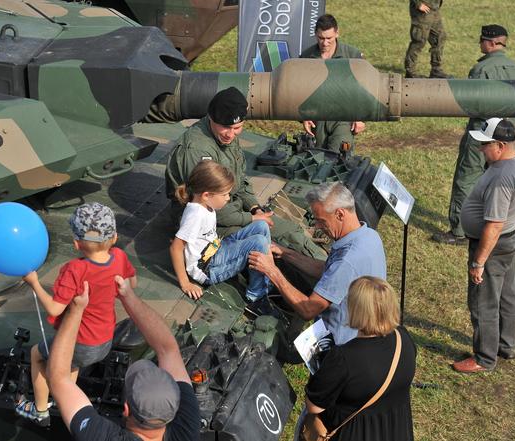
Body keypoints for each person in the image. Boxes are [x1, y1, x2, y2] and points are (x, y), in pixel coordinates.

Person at [165, 86, 326, 259]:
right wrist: (250, 219)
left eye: (237, 128)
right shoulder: (196, 150)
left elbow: (240, 180)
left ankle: (329, 270)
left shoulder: (225, 136)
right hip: (205, 223)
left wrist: (254, 207)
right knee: (268, 243)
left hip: (230, 208)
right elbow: (210, 206)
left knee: (289, 230)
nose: (231, 134)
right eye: (226, 127)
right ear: (211, 118)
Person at [16, 202, 137, 426]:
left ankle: (40, 410)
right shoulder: (119, 256)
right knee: (70, 366)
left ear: (76, 243)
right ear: (114, 237)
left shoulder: (75, 269)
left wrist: (34, 283)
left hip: (80, 342)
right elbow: (131, 284)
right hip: (103, 340)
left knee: (36, 354)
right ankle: (66, 409)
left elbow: (55, 308)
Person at [48, 276, 200, 441]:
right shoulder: (187, 428)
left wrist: (75, 310)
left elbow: (59, 378)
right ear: (176, 408)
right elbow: (168, 349)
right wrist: (127, 295)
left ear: (126, 409)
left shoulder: (103, 436)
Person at [248, 183, 386, 344]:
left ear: (340, 214)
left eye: (321, 221)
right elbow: (328, 270)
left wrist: (271, 271)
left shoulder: (347, 261)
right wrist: (286, 253)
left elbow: (308, 309)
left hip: (340, 347)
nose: (317, 226)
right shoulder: (369, 236)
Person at [452, 118, 515, 373]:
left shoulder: (501, 177)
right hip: (512, 238)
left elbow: (493, 225)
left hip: (494, 245)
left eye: (484, 145)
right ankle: (506, 345)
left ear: (500, 145)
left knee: (484, 301)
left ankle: (484, 358)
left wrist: (479, 261)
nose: (480, 150)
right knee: (508, 295)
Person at [433, 24, 515, 245]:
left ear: (491, 43)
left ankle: (459, 231)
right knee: (503, 182)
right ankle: (503, 227)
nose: (480, 44)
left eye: (482, 40)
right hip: (507, 136)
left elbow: (470, 104)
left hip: (481, 135)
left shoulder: (480, 70)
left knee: (467, 179)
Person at [302, 276, 416, 440]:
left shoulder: (343, 358)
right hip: (395, 430)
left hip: (355, 433)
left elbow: (314, 407)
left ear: (356, 310)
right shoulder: (403, 338)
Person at [170, 160, 273, 311]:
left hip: (216, 248)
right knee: (258, 242)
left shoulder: (205, 205)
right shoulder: (196, 215)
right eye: (224, 194)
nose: (228, 198)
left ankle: (267, 269)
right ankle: (256, 296)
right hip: (208, 267)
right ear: (206, 195)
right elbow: (176, 248)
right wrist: (185, 283)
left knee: (261, 226)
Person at [299, 14, 366, 153]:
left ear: (337, 33)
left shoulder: (352, 55)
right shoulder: (306, 58)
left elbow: (364, 88)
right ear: (315, 34)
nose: (325, 43)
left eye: (329, 38)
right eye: (321, 38)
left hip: (343, 117)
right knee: (317, 158)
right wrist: (304, 117)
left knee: (338, 157)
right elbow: (300, 90)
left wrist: (360, 117)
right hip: (317, 119)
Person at [404, 0, 449, 78]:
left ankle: (436, 70)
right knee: (419, 40)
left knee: (439, 37)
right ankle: (410, 71)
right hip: (422, 11)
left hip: (434, 9)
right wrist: (418, 4)